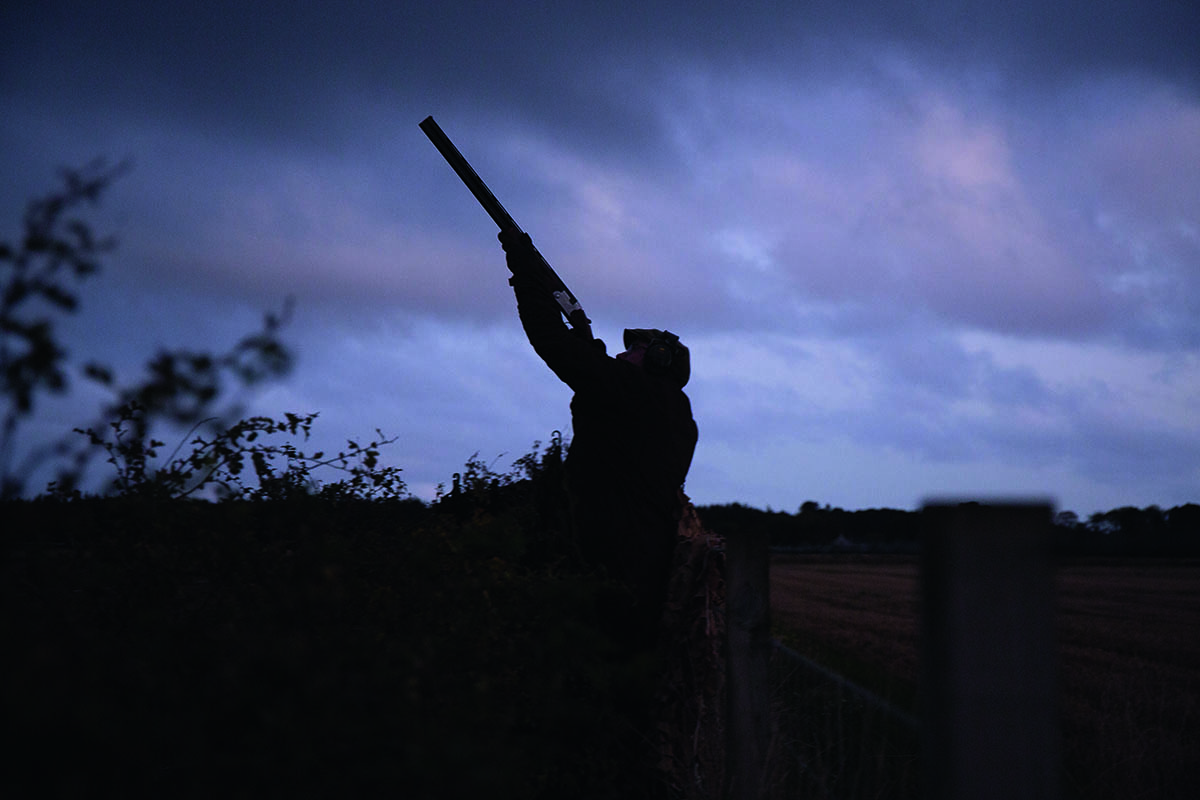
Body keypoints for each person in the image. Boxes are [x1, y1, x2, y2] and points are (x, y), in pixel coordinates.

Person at [499, 228, 698, 649]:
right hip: (641, 568)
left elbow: (550, 341)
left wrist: (523, 272)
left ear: (658, 361)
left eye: (638, 348)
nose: (625, 352)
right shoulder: (671, 410)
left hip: (609, 570)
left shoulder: (632, 392)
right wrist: (587, 347)